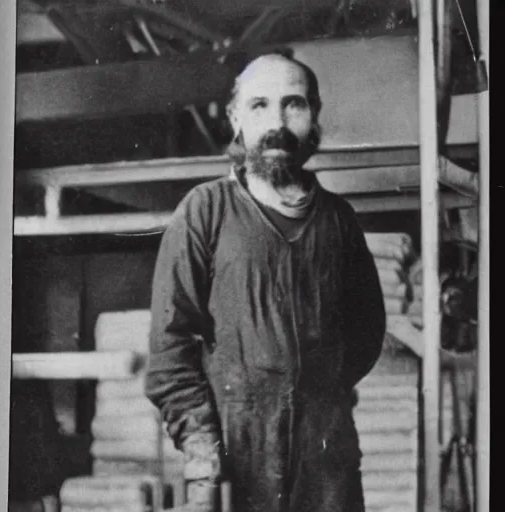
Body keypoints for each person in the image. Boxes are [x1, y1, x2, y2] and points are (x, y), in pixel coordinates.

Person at [145, 52, 386, 512]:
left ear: (314, 115)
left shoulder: (339, 221)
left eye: (293, 104)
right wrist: (203, 457)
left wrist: (316, 394)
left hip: (326, 467)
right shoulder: (204, 211)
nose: (277, 121)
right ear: (236, 118)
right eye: (259, 105)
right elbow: (169, 349)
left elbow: (365, 333)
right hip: (237, 461)